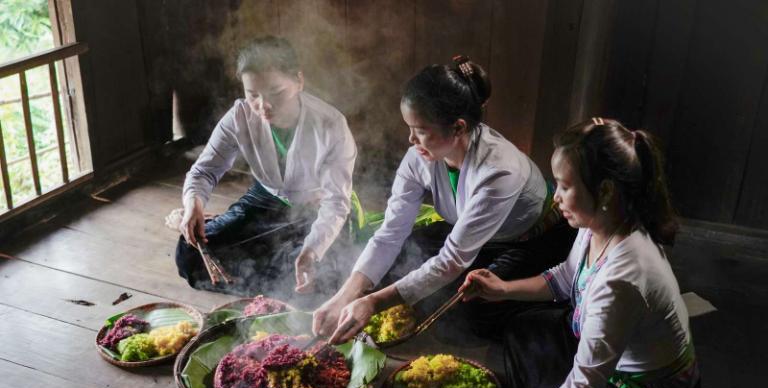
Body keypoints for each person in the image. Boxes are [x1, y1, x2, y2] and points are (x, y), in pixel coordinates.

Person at [461, 117, 700, 388]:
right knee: (521, 328)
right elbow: (565, 277)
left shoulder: (622, 279)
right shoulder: (598, 225)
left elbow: (585, 383)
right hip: (607, 354)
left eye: (564, 186)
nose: (555, 197)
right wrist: (501, 289)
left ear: (604, 191)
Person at [314, 55, 575, 341]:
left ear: (459, 127)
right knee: (398, 258)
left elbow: (452, 259)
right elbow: (391, 232)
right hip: (475, 237)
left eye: (421, 131)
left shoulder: (499, 170)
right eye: (409, 128)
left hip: (529, 241)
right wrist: (345, 296)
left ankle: (553, 300)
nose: (411, 141)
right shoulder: (420, 156)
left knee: (468, 317)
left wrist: (374, 302)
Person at [175, 36, 356, 299]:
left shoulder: (331, 124)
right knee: (188, 255)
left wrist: (312, 252)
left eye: (276, 93)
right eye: (253, 95)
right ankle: (277, 281)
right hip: (266, 197)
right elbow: (204, 170)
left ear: (299, 82)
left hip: (316, 206)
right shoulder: (239, 117)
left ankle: (277, 271)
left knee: (320, 275)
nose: (263, 105)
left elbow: (336, 203)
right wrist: (194, 203)